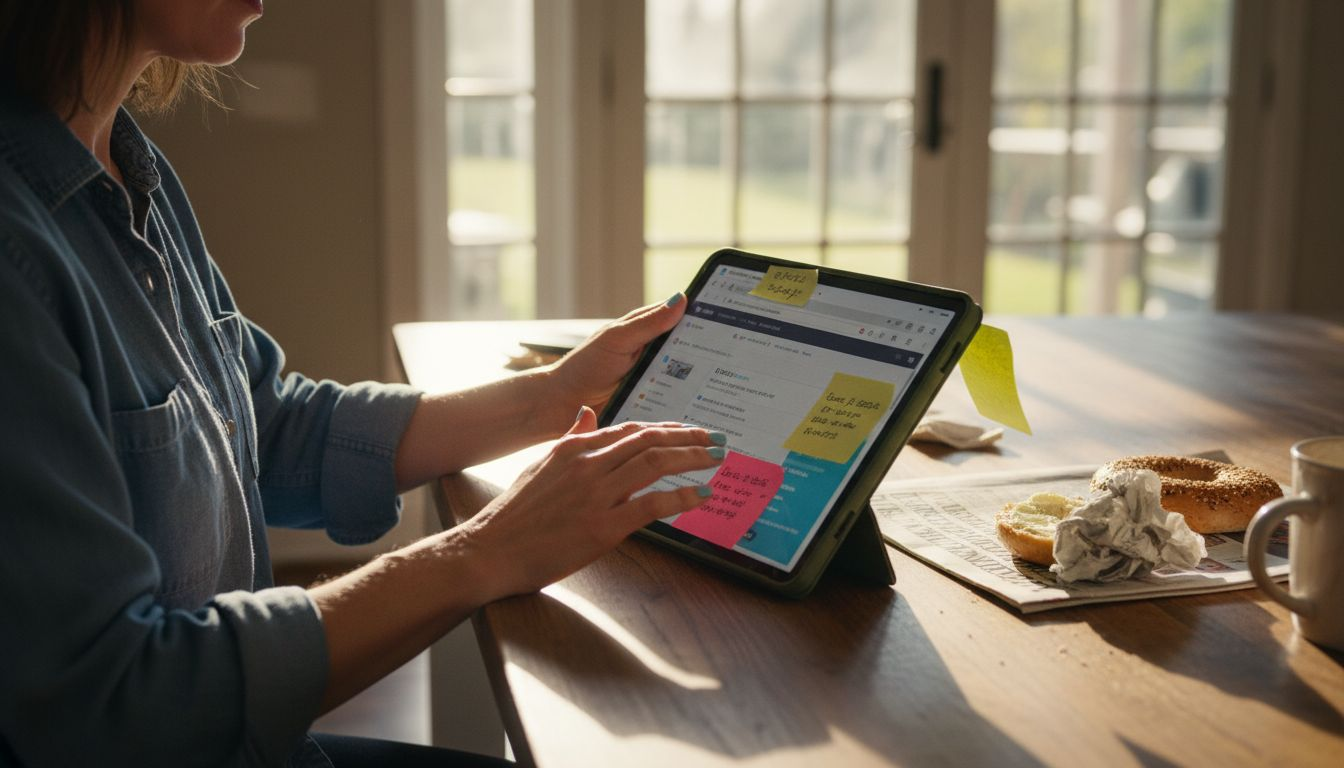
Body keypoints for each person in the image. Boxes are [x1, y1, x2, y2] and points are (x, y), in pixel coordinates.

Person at [0, 2, 726, 765]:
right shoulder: (17, 256)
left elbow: (263, 425)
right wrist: (489, 550)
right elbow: (111, 708)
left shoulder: (123, 160)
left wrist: (553, 396)